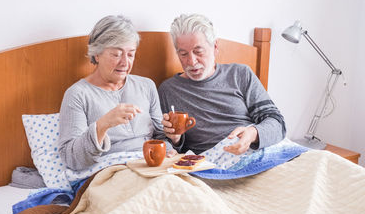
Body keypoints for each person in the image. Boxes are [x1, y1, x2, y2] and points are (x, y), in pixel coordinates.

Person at [158, 13, 286, 155]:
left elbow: (277, 123)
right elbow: (164, 142)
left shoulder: (240, 74)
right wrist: (175, 141)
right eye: (183, 54)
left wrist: (252, 134)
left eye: (198, 51)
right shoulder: (168, 90)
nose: (192, 61)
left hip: (259, 153)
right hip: (211, 164)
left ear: (215, 47)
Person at [59, 15, 175, 171]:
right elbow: (71, 159)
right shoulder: (78, 94)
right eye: (116, 54)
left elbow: (161, 137)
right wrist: (103, 124)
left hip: (153, 167)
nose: (125, 63)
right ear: (97, 54)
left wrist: (172, 142)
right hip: (112, 171)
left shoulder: (146, 86)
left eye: (130, 54)